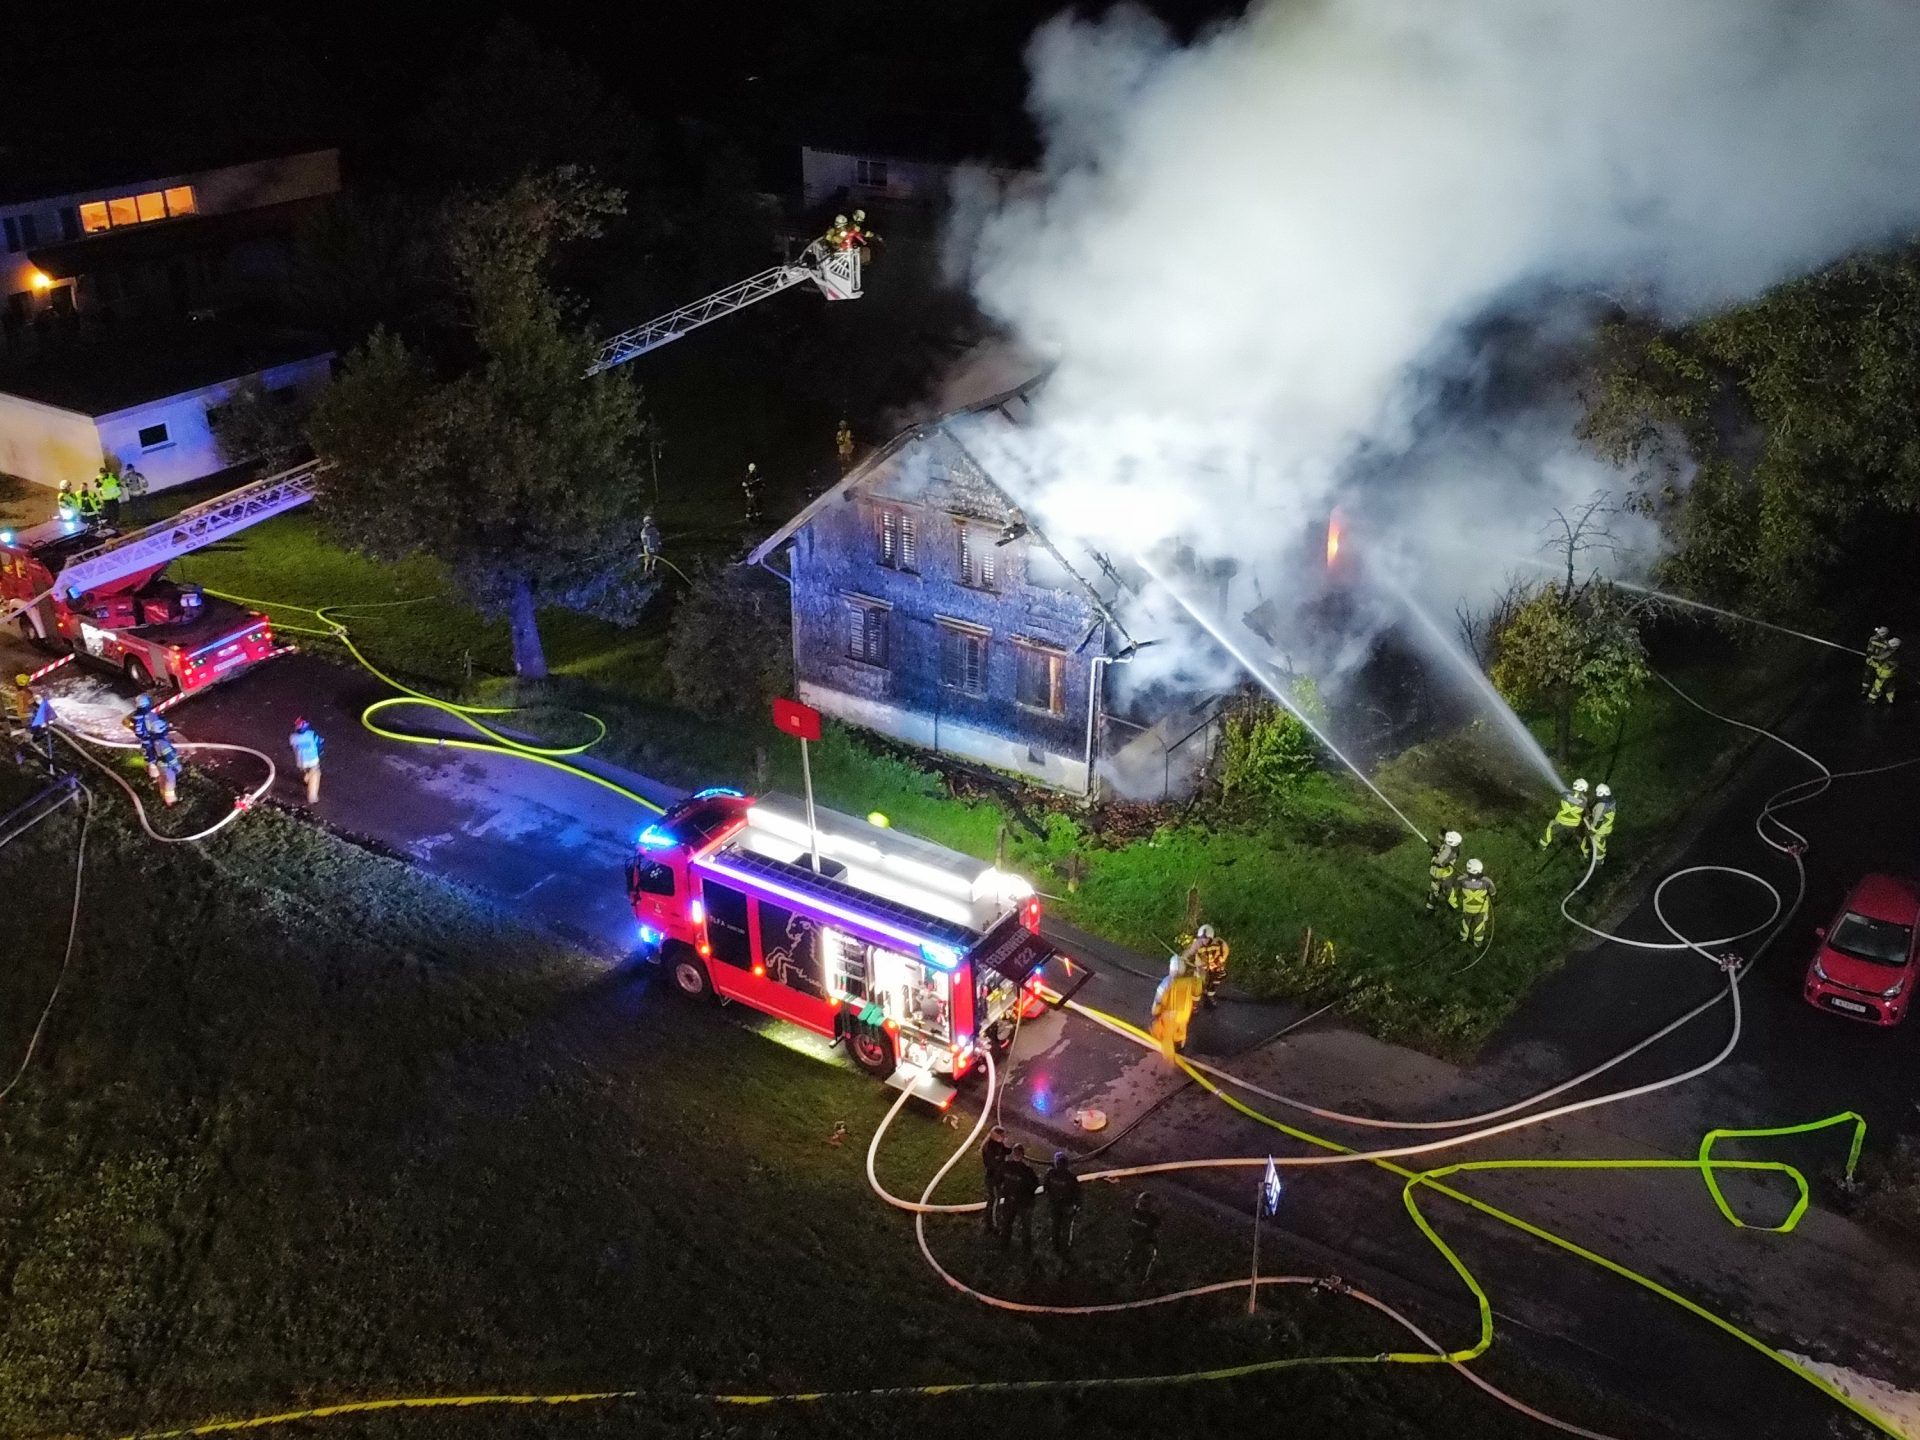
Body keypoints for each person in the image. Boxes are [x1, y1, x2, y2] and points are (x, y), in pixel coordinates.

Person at [1149, 954, 1203, 1058]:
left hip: (1170, 1017)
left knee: (1167, 1037)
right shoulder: (1190, 982)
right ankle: (1180, 1051)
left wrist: (1155, 1012)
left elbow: (1158, 1001)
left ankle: (1169, 1064)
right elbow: (1197, 992)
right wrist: (1198, 974)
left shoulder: (1166, 983)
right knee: (1181, 1033)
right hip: (1184, 1015)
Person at [997, 1142, 1038, 1251]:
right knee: (1025, 1225)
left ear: (1012, 1154)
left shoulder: (1005, 1166)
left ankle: (1004, 1245)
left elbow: (998, 1180)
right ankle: (1027, 1248)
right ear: (1023, 1155)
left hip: (1009, 1200)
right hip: (1024, 1203)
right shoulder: (1027, 1171)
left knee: (1006, 1223)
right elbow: (1034, 1185)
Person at [1044, 1151, 1081, 1264]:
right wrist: (1077, 1207)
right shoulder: (1071, 1178)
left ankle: (1055, 1245)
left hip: (1055, 1205)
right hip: (1067, 1207)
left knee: (1055, 1225)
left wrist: (1051, 1199)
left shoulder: (1050, 1174)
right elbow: (1077, 1193)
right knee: (1066, 1228)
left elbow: (1046, 1188)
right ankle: (1065, 1247)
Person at [1180, 924, 1230, 1007]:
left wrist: (1222, 959)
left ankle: (1210, 996)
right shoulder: (1197, 944)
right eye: (1202, 938)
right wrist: (1183, 957)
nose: (1204, 940)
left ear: (1211, 937)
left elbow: (1226, 949)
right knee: (1198, 984)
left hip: (1215, 966)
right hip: (1201, 968)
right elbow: (1189, 952)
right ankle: (1194, 1005)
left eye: (1206, 938)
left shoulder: (1218, 942)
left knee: (1216, 979)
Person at [1454, 858, 1496, 946]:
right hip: (1481, 910)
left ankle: (1462, 937)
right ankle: (1477, 942)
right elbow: (1493, 893)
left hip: (1467, 909)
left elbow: (1455, 885)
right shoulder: (1486, 881)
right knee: (1479, 925)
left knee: (1465, 922)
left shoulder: (1462, 879)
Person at [1539, 778, 1589, 850]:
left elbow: (1564, 798)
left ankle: (1543, 845)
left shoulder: (1565, 794)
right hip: (1574, 824)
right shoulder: (1584, 802)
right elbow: (1581, 802)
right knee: (1581, 837)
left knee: (1550, 826)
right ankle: (1586, 853)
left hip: (1561, 821)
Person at [979, 1125, 1010, 1235]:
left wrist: (1009, 1147)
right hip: (992, 1178)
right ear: (995, 1136)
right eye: (1002, 1136)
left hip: (998, 1176)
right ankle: (992, 1225)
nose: (1004, 1138)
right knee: (994, 1199)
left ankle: (993, 1221)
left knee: (994, 1199)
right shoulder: (988, 1148)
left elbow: (1006, 1151)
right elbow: (992, 1164)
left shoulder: (998, 1144)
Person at [1126, 1191, 1162, 1283]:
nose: (1142, 1207)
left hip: (1144, 1244)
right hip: (1130, 1243)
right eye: (1141, 1204)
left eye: (1146, 1205)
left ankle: (1142, 1280)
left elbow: (1156, 1234)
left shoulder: (1153, 1218)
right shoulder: (1132, 1212)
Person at [1426, 829, 1463, 913]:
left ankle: (1454, 908)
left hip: (1443, 874)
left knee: (1447, 892)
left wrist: (1434, 856)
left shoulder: (1450, 851)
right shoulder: (1448, 847)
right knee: (1434, 890)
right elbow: (1442, 851)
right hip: (1439, 874)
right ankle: (1430, 908)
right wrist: (1437, 849)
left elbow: (1440, 862)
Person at [289, 717, 324, 805]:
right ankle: (312, 797)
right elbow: (319, 745)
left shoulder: (292, 737)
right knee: (315, 775)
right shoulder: (312, 734)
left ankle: (307, 777)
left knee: (307, 771)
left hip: (301, 761)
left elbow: (293, 748)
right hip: (312, 760)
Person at [1581, 784, 1616, 864]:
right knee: (1601, 842)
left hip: (1601, 830)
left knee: (1598, 844)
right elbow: (1603, 815)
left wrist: (1592, 830)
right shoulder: (1611, 801)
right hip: (1607, 827)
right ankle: (1600, 857)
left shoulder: (1601, 806)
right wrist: (1591, 816)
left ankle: (1598, 861)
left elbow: (1598, 821)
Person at [1864, 636, 1900, 705]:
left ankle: (1871, 700)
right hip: (1893, 673)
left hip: (1884, 673)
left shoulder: (1890, 653)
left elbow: (1880, 659)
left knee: (1877, 686)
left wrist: (1871, 659)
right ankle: (1890, 699)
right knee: (1890, 687)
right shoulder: (1898, 654)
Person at [151, 731, 181, 807]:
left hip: (164, 761)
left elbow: (168, 780)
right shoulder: (164, 788)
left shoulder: (169, 786)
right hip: (162, 761)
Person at [639, 512, 661, 577]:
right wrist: (659, 545)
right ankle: (653, 569)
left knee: (648, 559)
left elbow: (643, 541)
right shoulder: (654, 529)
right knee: (655, 558)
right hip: (654, 548)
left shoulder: (643, 531)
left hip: (647, 549)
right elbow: (657, 538)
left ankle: (647, 572)